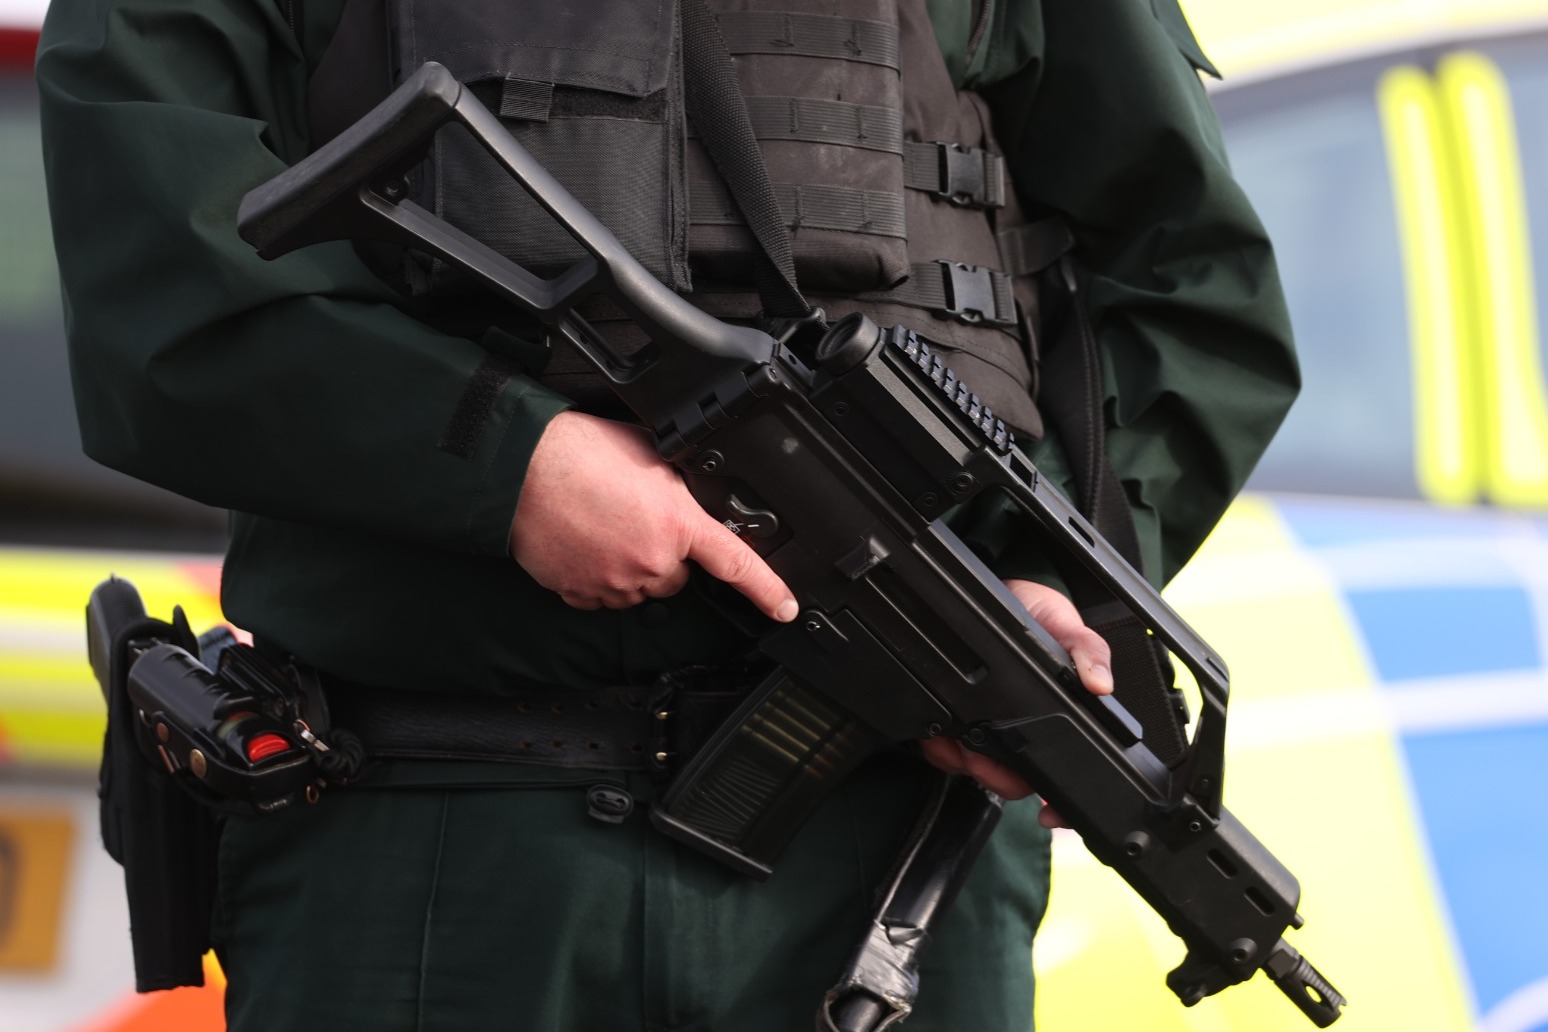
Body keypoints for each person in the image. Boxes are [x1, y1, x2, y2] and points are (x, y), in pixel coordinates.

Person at [36, 0, 1297, 1028]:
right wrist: (506, 459)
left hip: (889, 859)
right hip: (431, 834)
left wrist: (1037, 576)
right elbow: (164, 285)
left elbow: (1189, 286)